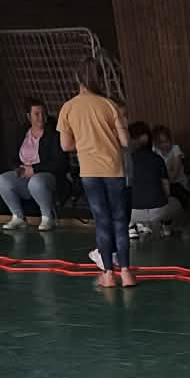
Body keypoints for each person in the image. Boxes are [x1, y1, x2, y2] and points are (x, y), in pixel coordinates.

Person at [58, 57, 132, 288]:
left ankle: (108, 275)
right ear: (99, 78)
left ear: (78, 78)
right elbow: (125, 141)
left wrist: (85, 143)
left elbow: (65, 146)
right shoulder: (109, 105)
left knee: (102, 221)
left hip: (89, 171)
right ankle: (126, 273)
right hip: (113, 169)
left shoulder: (68, 108)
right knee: (120, 220)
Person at [0, 98, 67, 230]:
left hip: (47, 177)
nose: (41, 117)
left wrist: (34, 169)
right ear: (29, 117)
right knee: (3, 180)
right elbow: (11, 157)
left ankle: (48, 217)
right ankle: (18, 217)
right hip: (25, 176)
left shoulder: (54, 134)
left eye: (43, 113)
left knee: (36, 181)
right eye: (36, 114)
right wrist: (17, 168)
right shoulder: (21, 133)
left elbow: (60, 163)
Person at [126, 123, 174, 237]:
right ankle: (166, 227)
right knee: (174, 201)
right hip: (159, 212)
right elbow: (167, 190)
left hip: (132, 213)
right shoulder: (158, 159)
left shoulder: (126, 161)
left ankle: (131, 227)